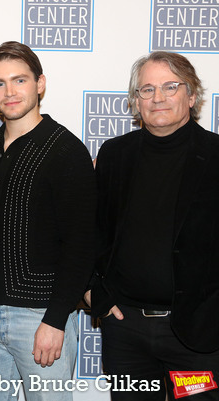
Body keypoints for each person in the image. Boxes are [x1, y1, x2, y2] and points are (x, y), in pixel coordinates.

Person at [0, 41, 96, 400]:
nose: (9, 91)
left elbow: (81, 244)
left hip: (40, 317)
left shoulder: (66, 151)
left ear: (40, 84)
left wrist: (55, 320)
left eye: (19, 80)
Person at [87, 51, 219, 400]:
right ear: (135, 102)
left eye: (170, 87)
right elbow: (87, 231)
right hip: (126, 332)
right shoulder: (113, 155)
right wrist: (91, 291)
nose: (158, 98)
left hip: (197, 335)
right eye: (146, 89)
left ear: (192, 96)